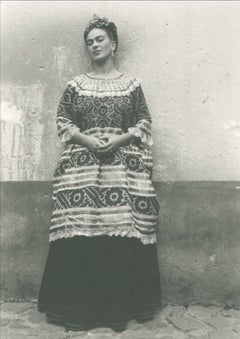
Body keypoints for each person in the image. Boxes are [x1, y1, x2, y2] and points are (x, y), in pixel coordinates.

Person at [38, 15, 161, 332]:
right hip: (82, 169)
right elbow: (64, 122)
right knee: (83, 232)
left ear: (113, 43)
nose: (94, 45)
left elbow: (143, 122)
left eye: (99, 39)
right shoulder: (75, 86)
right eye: (89, 41)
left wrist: (120, 139)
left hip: (122, 169)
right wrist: (89, 140)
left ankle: (118, 309)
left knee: (117, 233)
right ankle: (78, 310)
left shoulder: (131, 86)